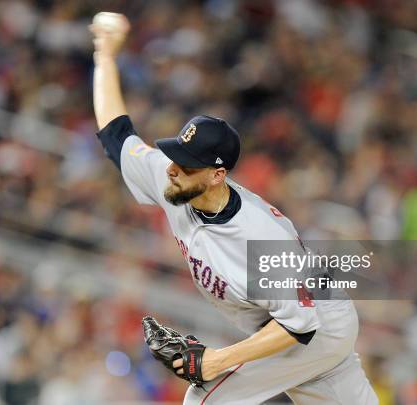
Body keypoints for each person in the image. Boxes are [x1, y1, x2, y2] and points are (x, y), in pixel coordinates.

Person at [89, 12, 378, 405]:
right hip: (295, 323)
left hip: (318, 326)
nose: (173, 169)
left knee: (204, 398)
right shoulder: (172, 178)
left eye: (187, 163)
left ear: (216, 175)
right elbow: (115, 135)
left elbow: (300, 326)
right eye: (175, 155)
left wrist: (216, 361)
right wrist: (105, 55)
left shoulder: (259, 237)